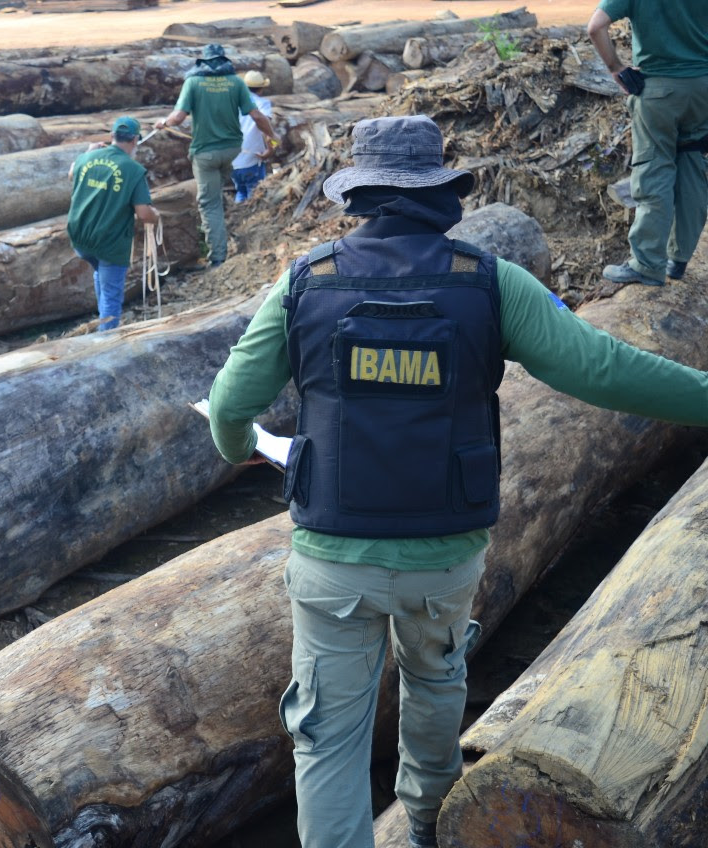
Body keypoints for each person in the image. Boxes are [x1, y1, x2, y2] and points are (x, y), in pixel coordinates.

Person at [205, 114, 708, 848]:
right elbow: (601, 369)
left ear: (361, 195)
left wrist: (235, 449)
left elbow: (229, 406)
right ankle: (427, 827)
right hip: (444, 552)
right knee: (435, 686)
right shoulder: (490, 284)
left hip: (334, 557)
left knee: (327, 736)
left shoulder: (305, 284)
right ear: (440, 190)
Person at [587, 0, 708, 286]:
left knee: (655, 169)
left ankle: (648, 263)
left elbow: (596, 27)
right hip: (702, 88)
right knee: (692, 161)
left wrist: (616, 67)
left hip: (658, 92)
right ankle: (678, 260)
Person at [155, 44, 281, 268]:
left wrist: (163, 123)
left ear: (203, 61)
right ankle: (228, 238)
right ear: (224, 61)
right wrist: (272, 138)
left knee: (209, 204)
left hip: (206, 153)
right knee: (221, 196)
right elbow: (257, 116)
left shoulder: (193, 82)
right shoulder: (235, 83)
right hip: (232, 152)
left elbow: (178, 117)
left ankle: (217, 258)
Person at [67, 116, 159, 331]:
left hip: (79, 237)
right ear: (135, 140)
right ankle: (104, 345)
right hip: (109, 242)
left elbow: (72, 174)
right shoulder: (133, 170)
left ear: (112, 137)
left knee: (101, 272)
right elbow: (144, 214)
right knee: (111, 298)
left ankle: (102, 323)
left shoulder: (86, 158)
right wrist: (157, 215)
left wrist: (89, 152)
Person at [231, 69, 275, 203]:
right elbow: (265, 129)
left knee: (240, 191)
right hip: (252, 158)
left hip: (232, 160)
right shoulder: (262, 104)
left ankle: (238, 219)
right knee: (254, 195)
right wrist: (271, 148)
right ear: (261, 89)